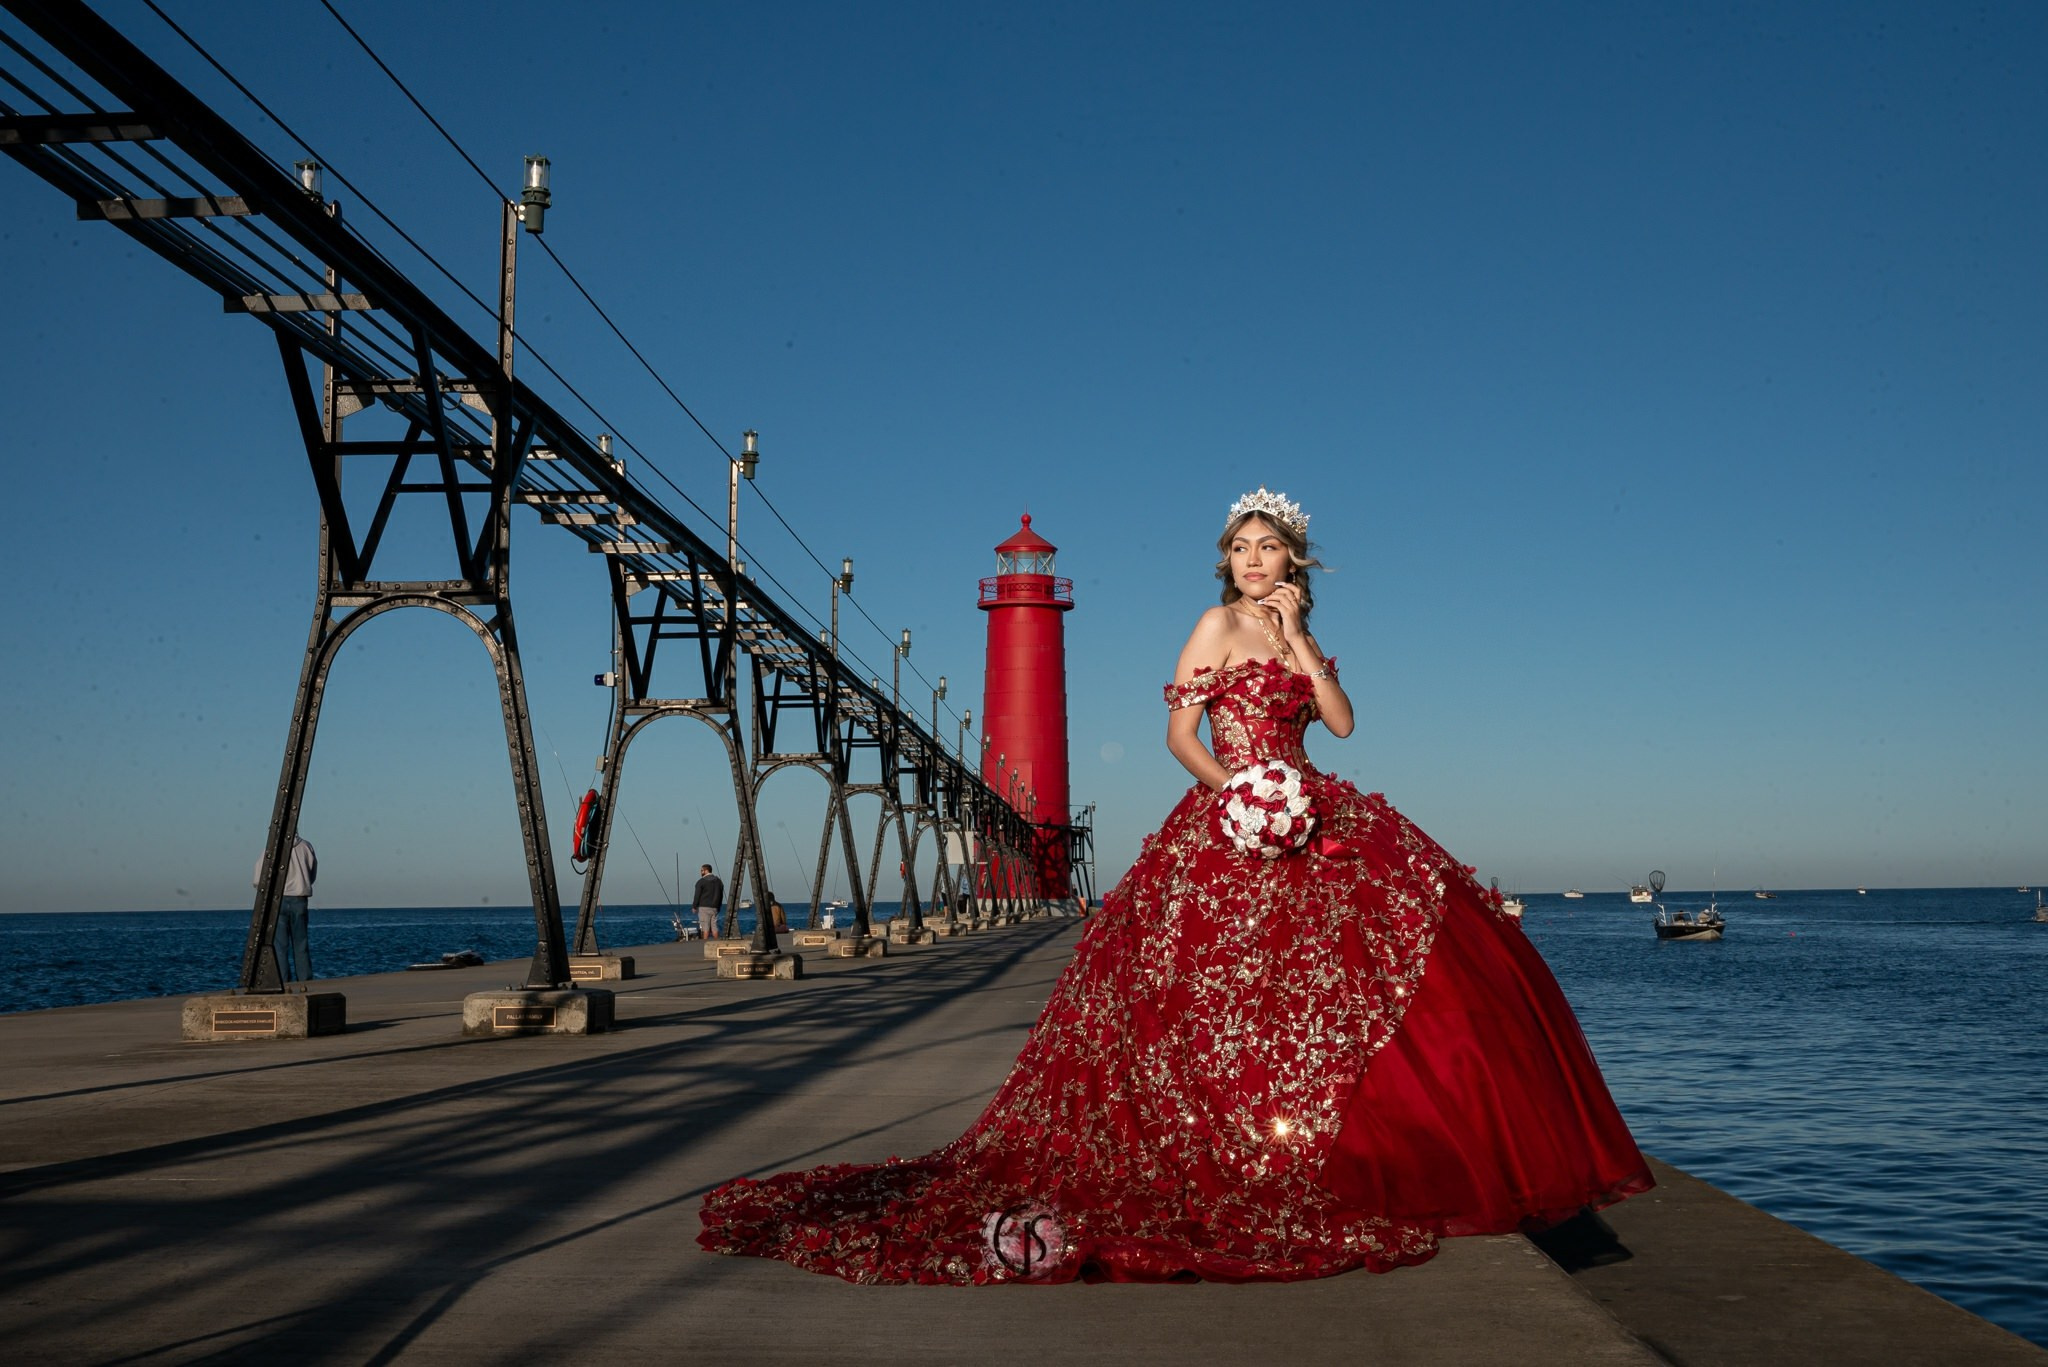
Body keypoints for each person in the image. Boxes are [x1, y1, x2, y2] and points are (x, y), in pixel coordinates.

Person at [699, 488, 1651, 1284]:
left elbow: (1342, 726)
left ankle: (1349, 1146)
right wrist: (1242, 796)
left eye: (1268, 548)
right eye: (1240, 548)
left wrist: (1302, 644)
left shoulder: (1293, 628)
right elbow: (1179, 738)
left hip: (1316, 808)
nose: (1253, 561)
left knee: (1360, 977)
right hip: (1232, 814)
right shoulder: (1213, 624)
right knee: (1213, 995)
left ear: (1294, 559)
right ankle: (1252, 1145)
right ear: (1225, 560)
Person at [252, 834, 317, 985]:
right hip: (300, 899)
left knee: (280, 946)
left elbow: (258, 877)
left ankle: (283, 981)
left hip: (278, 899)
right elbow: (312, 873)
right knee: (301, 943)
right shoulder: (306, 846)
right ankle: (305, 980)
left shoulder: (272, 847)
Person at [692, 864, 724, 941]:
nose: (701, 872)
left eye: (702, 870)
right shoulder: (719, 881)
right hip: (715, 907)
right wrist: (719, 906)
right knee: (714, 926)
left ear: (706, 871)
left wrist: (694, 906)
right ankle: (716, 942)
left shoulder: (701, 882)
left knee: (705, 927)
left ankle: (704, 943)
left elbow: (697, 895)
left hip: (704, 907)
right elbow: (721, 895)